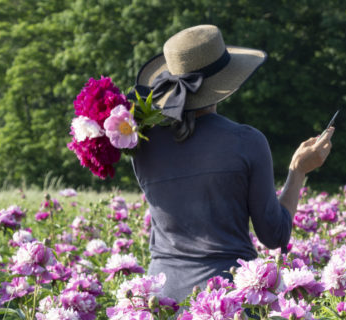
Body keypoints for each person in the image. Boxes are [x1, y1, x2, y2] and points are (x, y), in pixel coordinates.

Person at [130, 24, 333, 304]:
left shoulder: (141, 143)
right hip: (226, 302)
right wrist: (298, 171)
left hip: (157, 298)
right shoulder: (246, 141)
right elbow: (274, 235)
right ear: (225, 82)